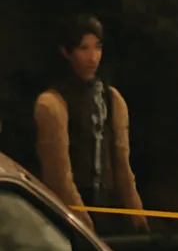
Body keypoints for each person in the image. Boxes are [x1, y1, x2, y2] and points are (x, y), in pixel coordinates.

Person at [33, 14, 148, 235]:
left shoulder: (110, 97)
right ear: (67, 52)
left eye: (97, 48)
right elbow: (58, 175)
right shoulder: (53, 103)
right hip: (70, 210)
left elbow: (122, 164)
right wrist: (81, 220)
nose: (92, 57)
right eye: (83, 48)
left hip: (108, 206)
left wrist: (136, 211)